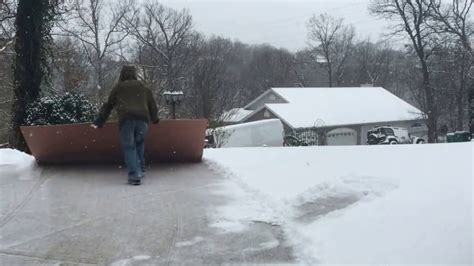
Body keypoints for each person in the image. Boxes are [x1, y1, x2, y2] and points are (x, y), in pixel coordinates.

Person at [92, 65, 159, 186]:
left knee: (129, 146)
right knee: (139, 142)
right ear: (134, 74)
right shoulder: (143, 87)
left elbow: (108, 105)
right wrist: (155, 118)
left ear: (122, 74)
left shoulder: (119, 87)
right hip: (143, 120)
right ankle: (141, 168)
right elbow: (151, 104)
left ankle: (134, 175)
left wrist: (99, 121)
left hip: (127, 119)